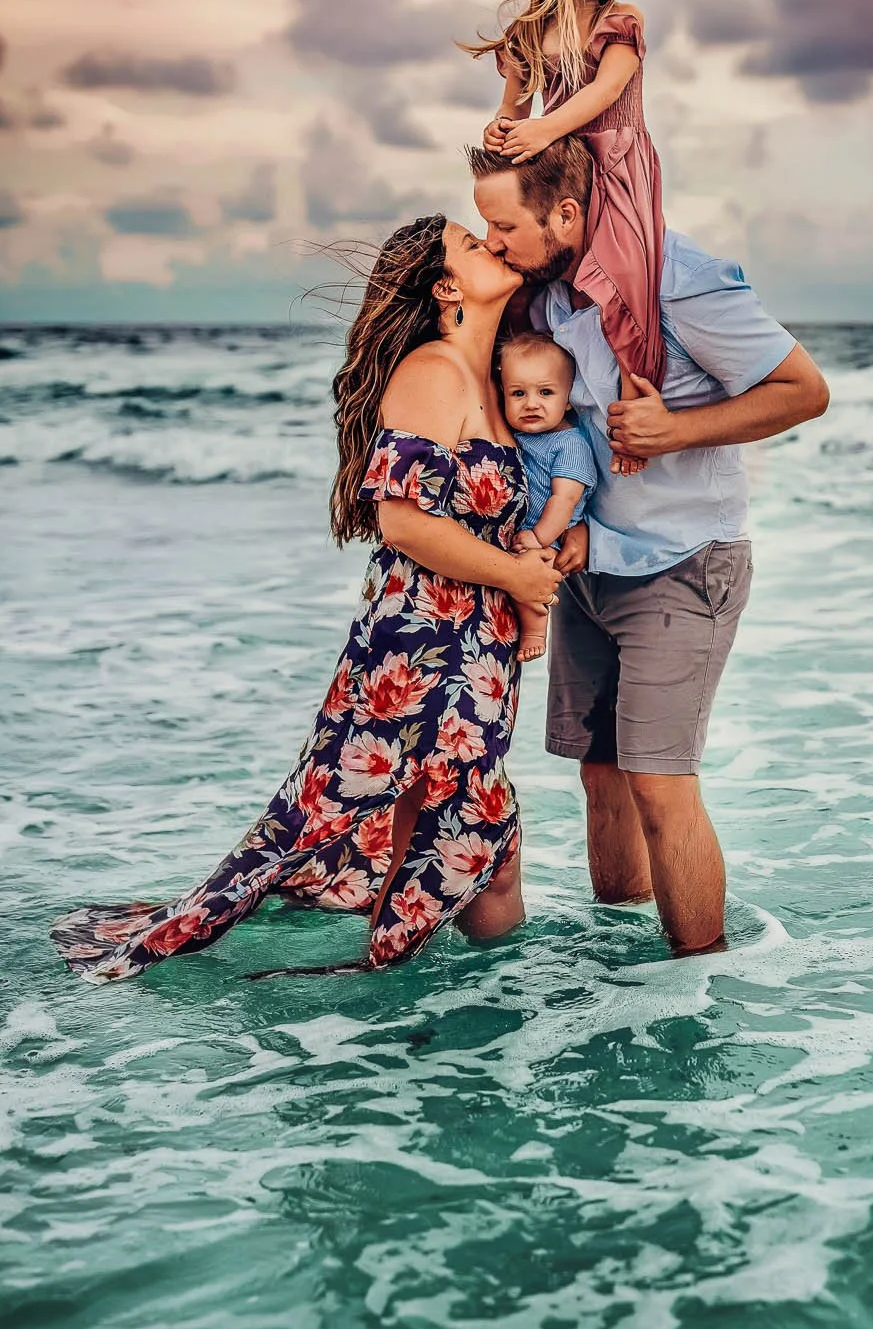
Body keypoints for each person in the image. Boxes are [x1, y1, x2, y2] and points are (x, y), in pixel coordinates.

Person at [50, 214, 560, 985]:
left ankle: (464, 995)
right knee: (453, 821)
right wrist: (518, 578)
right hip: (422, 647)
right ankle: (398, 988)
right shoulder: (433, 370)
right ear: (447, 286)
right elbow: (400, 520)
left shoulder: (488, 379)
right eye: (471, 242)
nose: (492, 241)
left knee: (463, 829)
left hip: (472, 651)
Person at [469, 136, 830, 956]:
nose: (493, 240)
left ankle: (698, 984)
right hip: (592, 562)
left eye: (502, 226)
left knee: (662, 787)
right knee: (600, 776)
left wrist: (674, 431)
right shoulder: (554, 296)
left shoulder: (681, 280)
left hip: (683, 563)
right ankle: (624, 965)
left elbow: (805, 390)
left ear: (566, 215)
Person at [461, 0, 665, 421]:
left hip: (617, 164)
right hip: (558, 172)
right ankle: (524, 387)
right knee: (526, 271)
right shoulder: (531, 33)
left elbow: (605, 91)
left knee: (626, 274)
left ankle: (634, 400)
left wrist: (546, 129)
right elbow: (513, 109)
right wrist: (503, 131)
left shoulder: (620, 21)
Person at [499, 330, 599, 664]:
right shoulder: (518, 434)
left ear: (568, 398)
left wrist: (539, 537)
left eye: (545, 392)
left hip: (549, 533)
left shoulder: (570, 445)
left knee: (533, 582)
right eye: (518, 393)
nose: (531, 403)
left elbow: (564, 500)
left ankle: (535, 629)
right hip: (526, 527)